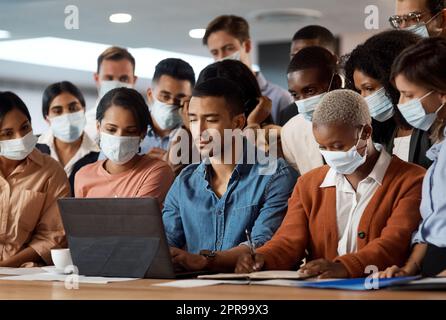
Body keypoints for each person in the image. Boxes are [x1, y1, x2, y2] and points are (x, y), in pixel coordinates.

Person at [235, 90, 425, 278]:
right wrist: (261, 258)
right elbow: (288, 242)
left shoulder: (411, 179)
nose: (330, 155)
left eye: (337, 146)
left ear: (366, 132)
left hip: (386, 292)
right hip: (323, 292)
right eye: (322, 147)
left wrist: (344, 267)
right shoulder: (308, 184)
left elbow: (393, 243)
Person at [162, 78, 298, 273]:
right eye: (193, 119)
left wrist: (204, 260)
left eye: (211, 120)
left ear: (238, 122)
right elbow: (165, 242)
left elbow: (262, 245)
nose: (199, 130)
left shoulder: (275, 175)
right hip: (194, 291)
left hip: (252, 291)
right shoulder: (185, 181)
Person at [380, 37, 446, 278]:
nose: (401, 104)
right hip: (432, 264)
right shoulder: (440, 144)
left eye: (408, 95)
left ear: (441, 93)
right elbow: (433, 223)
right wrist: (409, 269)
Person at [0, 91, 70, 267]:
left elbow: (52, 236)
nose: (20, 138)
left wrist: (5, 267)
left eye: (25, 127)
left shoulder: (51, 171)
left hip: (24, 273)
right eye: (7, 133)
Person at [74, 87, 174, 207]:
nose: (119, 138)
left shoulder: (156, 172)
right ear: (98, 127)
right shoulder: (83, 176)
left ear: (142, 133)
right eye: (111, 129)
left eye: (130, 131)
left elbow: (134, 220)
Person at [343, 30, 420, 162]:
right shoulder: (387, 129)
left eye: (369, 88)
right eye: (359, 91)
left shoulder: (428, 125)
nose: (364, 98)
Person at [203, 15, 293, 124]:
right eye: (215, 53)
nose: (221, 57)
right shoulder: (214, 98)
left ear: (247, 46)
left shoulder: (280, 98)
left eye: (228, 48)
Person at [281, 46, 342, 175]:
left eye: (310, 91)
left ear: (335, 83)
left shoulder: (362, 121)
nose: (302, 101)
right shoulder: (290, 131)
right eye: (295, 95)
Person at [37, 81, 100, 195]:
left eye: (73, 108)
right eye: (57, 111)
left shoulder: (100, 156)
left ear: (83, 110)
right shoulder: (33, 151)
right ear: (47, 118)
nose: (66, 116)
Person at [140, 58, 195, 175]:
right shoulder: (128, 129)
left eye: (179, 99)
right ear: (150, 95)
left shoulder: (197, 139)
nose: (171, 103)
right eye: (165, 96)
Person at [278, 25, 338, 125]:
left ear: (334, 59)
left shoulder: (361, 103)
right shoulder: (288, 114)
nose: (302, 60)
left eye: (312, 54)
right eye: (295, 56)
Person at [84, 46, 137, 141]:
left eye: (123, 79)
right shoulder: (83, 126)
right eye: (109, 78)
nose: (116, 84)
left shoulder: (145, 126)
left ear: (134, 80)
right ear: (97, 79)